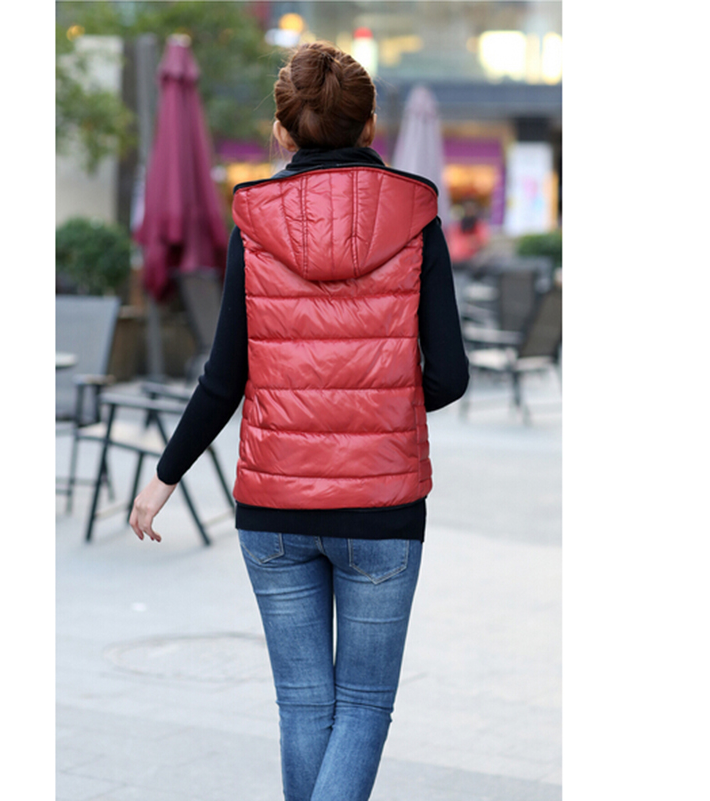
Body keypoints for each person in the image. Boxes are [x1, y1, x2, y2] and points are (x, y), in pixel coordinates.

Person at [129, 41, 469, 801]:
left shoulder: (252, 222)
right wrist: (374, 407)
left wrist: (164, 476)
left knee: (304, 704)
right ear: (370, 124)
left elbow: (224, 377)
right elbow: (449, 374)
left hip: (274, 510)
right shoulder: (418, 217)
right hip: (382, 508)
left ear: (282, 131)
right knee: (363, 705)